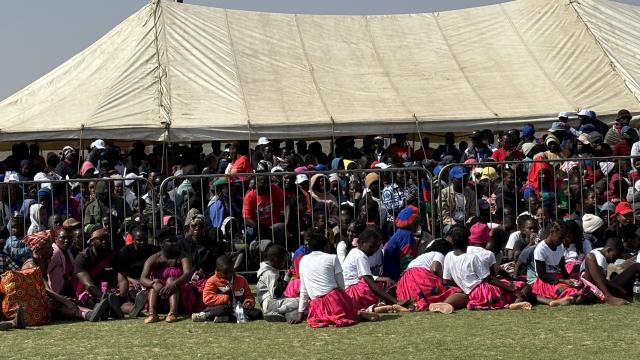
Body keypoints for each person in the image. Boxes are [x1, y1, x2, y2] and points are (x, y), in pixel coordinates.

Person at [437, 225, 532, 313]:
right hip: (483, 291)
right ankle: (516, 302)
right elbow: (489, 278)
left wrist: (463, 285)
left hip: (470, 293)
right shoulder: (472, 257)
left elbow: (446, 281)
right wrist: (512, 290)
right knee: (524, 285)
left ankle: (443, 304)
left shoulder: (448, 256)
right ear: (467, 241)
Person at [290, 232, 377, 327]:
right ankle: (359, 314)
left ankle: (355, 314)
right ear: (325, 246)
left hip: (317, 306)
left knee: (327, 319)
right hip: (335, 301)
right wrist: (347, 304)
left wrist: (300, 316)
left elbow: (304, 290)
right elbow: (341, 286)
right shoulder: (332, 258)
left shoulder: (303, 260)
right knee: (349, 314)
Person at [343, 227, 411, 312]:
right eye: (371, 247)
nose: (374, 250)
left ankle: (381, 304)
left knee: (383, 283)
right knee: (382, 285)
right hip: (354, 293)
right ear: (361, 243)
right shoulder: (360, 256)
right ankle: (387, 303)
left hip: (349, 291)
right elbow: (372, 285)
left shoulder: (355, 252)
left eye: (376, 248)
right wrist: (396, 301)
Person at [140, 228, 193, 323]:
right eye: (170, 241)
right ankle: (152, 314)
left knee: (171, 280)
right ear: (161, 243)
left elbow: (187, 274)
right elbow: (143, 278)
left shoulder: (182, 256)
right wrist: (153, 284)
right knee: (155, 282)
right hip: (160, 294)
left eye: (175, 240)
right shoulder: (154, 258)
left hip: (180, 295)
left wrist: (174, 284)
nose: (174, 243)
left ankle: (173, 313)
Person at [73, 228, 127, 319]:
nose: (104, 241)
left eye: (107, 238)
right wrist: (104, 297)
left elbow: (123, 280)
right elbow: (87, 284)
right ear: (92, 241)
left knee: (124, 301)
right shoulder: (82, 257)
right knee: (95, 303)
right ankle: (109, 311)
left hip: (111, 290)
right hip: (91, 293)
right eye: (101, 239)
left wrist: (121, 298)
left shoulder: (116, 256)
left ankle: (132, 309)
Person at [193, 255, 261, 323]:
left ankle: (226, 318)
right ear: (218, 270)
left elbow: (248, 294)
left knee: (257, 313)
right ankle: (205, 315)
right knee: (222, 309)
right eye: (226, 273)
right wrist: (225, 298)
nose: (229, 275)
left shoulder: (241, 280)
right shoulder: (212, 281)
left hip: (238, 308)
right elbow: (207, 298)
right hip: (221, 307)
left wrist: (248, 302)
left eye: (231, 271)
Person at [531, 221, 582, 306]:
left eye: (563, 238)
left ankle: (568, 298)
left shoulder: (560, 246)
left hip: (559, 278)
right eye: (560, 238)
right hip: (547, 282)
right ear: (552, 233)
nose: (562, 241)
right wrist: (563, 281)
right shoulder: (541, 249)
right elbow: (542, 274)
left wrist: (569, 279)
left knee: (577, 286)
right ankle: (565, 298)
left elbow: (562, 268)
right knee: (563, 290)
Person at [117, 226, 159, 317]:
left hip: (148, 280)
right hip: (130, 282)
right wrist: (132, 280)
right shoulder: (124, 252)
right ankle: (138, 307)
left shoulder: (154, 250)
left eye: (145, 239)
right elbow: (121, 273)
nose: (142, 243)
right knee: (131, 294)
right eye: (139, 240)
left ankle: (139, 307)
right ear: (133, 239)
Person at [255, 244, 299, 322]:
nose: (284, 263)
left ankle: (282, 312)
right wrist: (286, 278)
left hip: (270, 302)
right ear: (276, 260)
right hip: (270, 303)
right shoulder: (269, 273)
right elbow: (276, 294)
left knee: (294, 301)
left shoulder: (270, 271)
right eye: (283, 260)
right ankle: (276, 312)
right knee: (300, 301)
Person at [580, 238, 627, 305]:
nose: (614, 261)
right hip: (586, 282)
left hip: (595, 284)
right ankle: (608, 296)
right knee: (590, 257)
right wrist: (615, 286)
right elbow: (599, 279)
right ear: (608, 250)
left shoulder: (602, 251)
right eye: (614, 257)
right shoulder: (600, 258)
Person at [382, 206, 419, 281]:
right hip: (397, 277)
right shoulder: (407, 235)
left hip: (391, 273)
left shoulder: (400, 233)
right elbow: (407, 260)